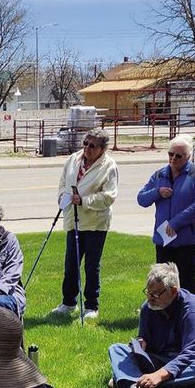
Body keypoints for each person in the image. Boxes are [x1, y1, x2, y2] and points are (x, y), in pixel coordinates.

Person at [107, 262, 195, 388]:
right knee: (116, 349)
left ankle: (134, 383)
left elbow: (191, 353)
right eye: (148, 292)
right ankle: (136, 386)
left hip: (194, 361)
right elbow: (144, 338)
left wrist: (159, 376)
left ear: (173, 291)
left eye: (155, 294)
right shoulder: (148, 307)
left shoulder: (193, 310)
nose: (150, 298)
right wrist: (141, 342)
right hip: (162, 358)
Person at [50, 127, 118, 320]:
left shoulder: (109, 166)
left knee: (91, 266)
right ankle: (68, 302)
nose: (87, 148)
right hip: (73, 219)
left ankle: (91, 306)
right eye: (85, 143)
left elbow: (109, 196)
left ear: (102, 149)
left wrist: (85, 200)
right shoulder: (73, 159)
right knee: (71, 264)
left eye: (92, 146)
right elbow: (63, 182)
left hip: (95, 223)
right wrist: (63, 199)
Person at [137, 135, 195, 293]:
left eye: (179, 155)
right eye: (170, 154)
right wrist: (157, 192)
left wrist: (176, 223)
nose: (173, 159)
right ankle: (165, 314)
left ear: (188, 156)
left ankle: (187, 314)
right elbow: (141, 199)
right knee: (163, 281)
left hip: (188, 240)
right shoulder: (159, 175)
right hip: (164, 240)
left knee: (186, 280)